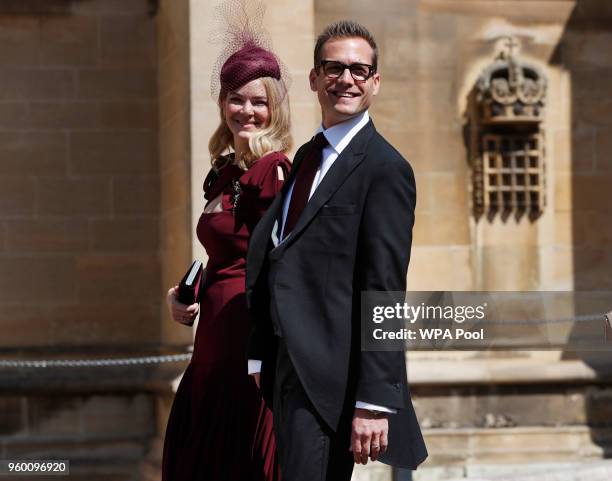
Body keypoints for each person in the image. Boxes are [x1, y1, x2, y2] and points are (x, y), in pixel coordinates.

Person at [246, 20, 427, 481]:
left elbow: (385, 290)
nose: (346, 79)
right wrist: (260, 353)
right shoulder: (308, 155)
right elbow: (280, 254)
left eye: (359, 71)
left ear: (375, 82)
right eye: (334, 68)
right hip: (288, 369)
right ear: (314, 77)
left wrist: (374, 401)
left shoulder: (386, 169)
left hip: (336, 380)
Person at [161, 9, 292, 480]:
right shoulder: (223, 171)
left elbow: (276, 264)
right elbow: (224, 253)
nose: (247, 111)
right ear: (222, 104)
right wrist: (185, 294)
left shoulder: (272, 170)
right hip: (211, 337)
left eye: (258, 101)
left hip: (245, 339)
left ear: (274, 106)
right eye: (236, 100)